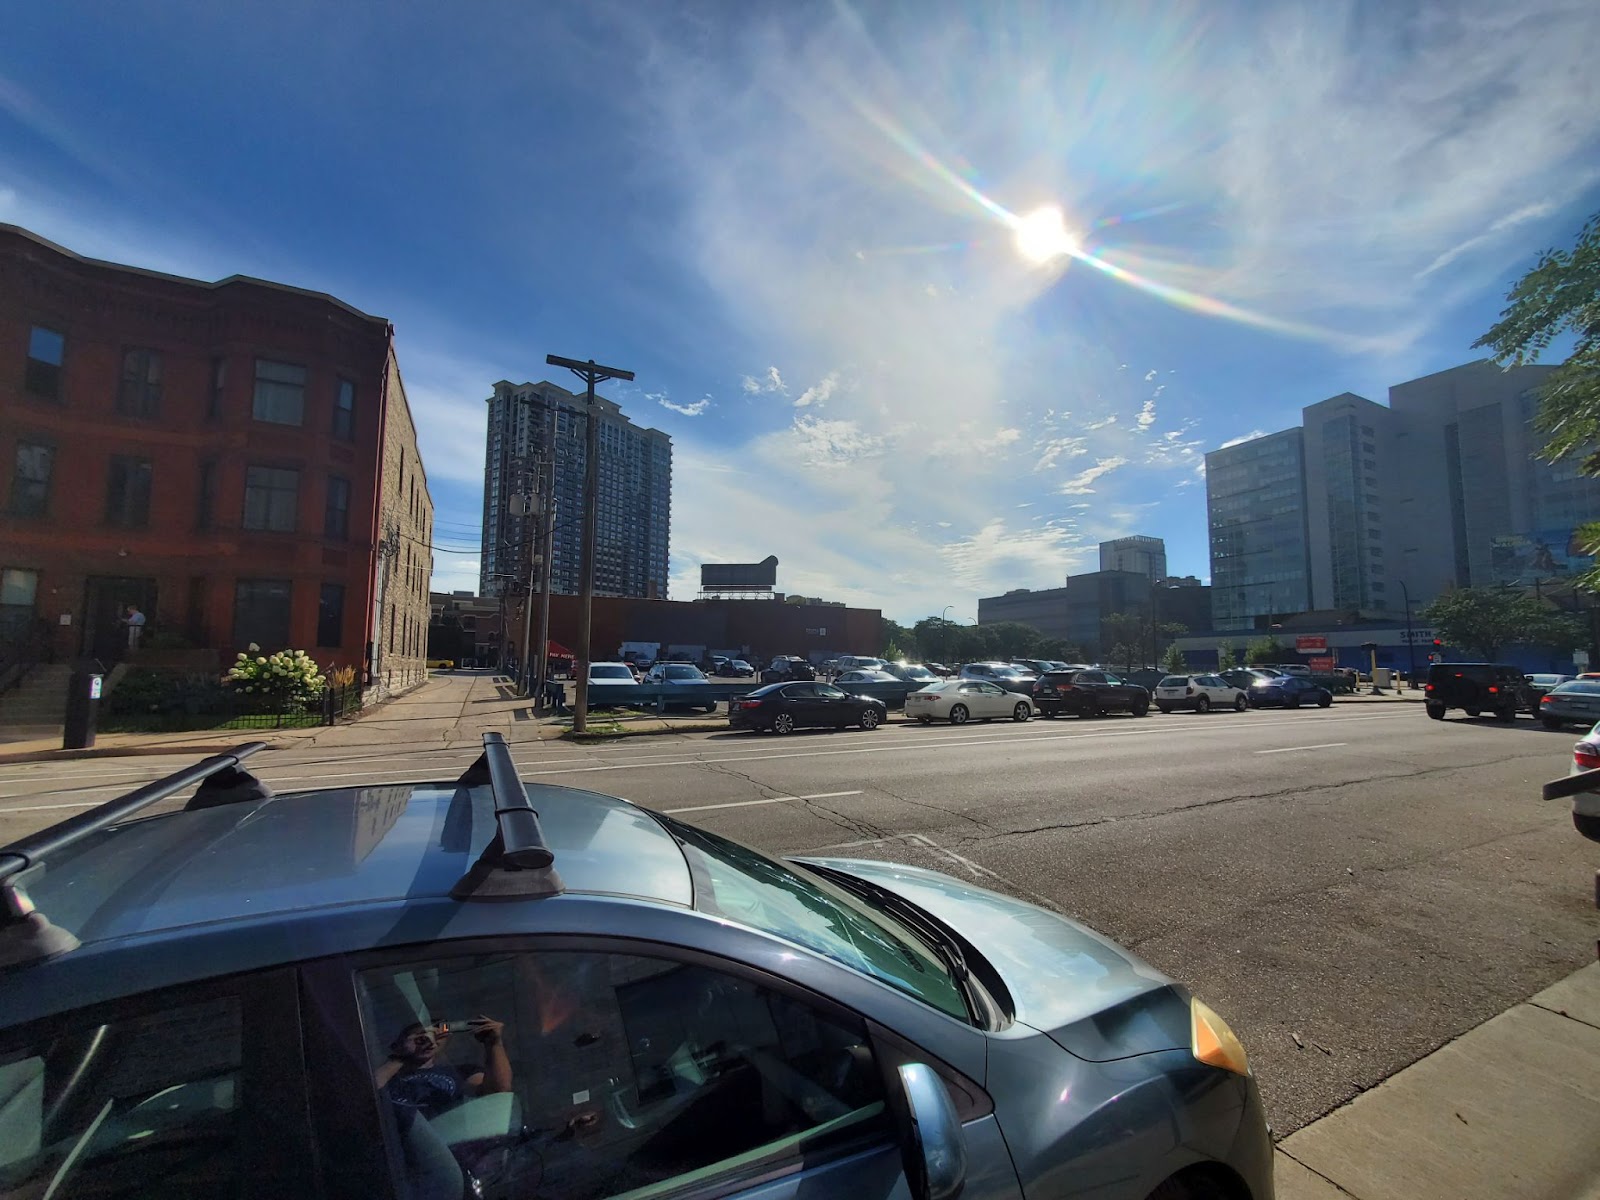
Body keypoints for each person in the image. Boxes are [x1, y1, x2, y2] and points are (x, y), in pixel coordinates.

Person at [376, 1016, 512, 1122]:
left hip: (442, 1144)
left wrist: (494, 1044)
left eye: (435, 1033)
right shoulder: (389, 1075)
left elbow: (497, 1090)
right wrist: (401, 1057)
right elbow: (369, 1092)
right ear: (398, 1043)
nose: (428, 1039)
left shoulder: (460, 1073)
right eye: (418, 1034)